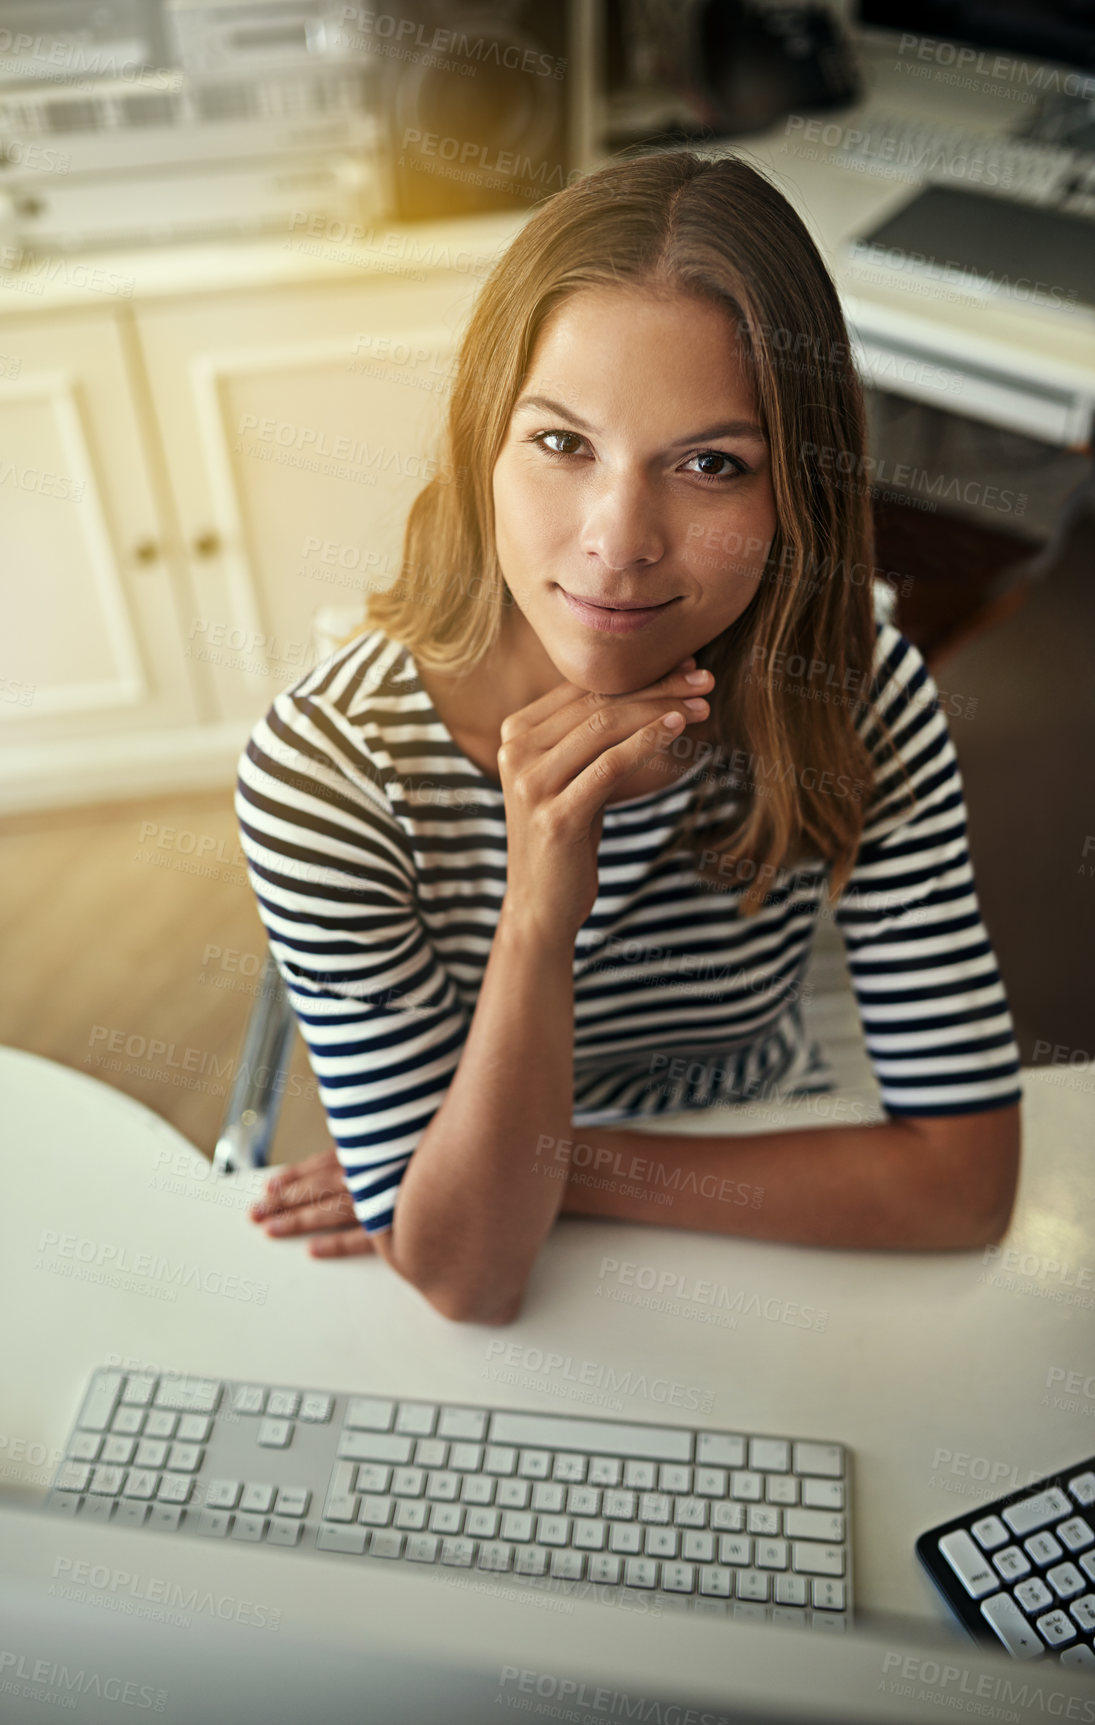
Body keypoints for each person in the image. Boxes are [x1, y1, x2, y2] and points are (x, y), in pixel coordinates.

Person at [236, 149, 1021, 1326]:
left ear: (794, 491)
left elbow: (962, 1191)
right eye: (561, 444)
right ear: (481, 446)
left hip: (762, 1190)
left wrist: (560, 1165)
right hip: (635, 1235)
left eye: (710, 465)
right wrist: (540, 910)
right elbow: (467, 1276)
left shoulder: (853, 692)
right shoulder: (328, 776)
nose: (617, 541)